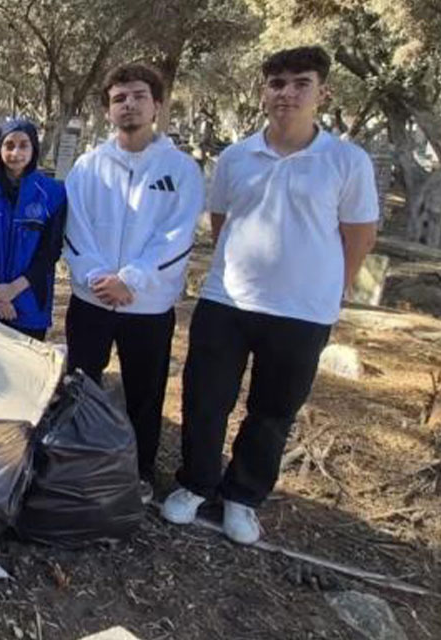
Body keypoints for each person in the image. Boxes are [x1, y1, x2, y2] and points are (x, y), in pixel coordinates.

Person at [162, 47, 379, 545]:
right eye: (277, 83)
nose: (287, 93)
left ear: (322, 93)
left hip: (301, 313)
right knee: (205, 399)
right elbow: (222, 224)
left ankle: (242, 497)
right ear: (265, 92)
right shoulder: (238, 157)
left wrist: (330, 287)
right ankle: (195, 483)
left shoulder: (346, 161)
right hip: (228, 302)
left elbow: (359, 235)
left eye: (300, 83)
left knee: (273, 410)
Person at [62, 63, 204, 503]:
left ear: (157, 105)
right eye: (119, 98)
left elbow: (177, 235)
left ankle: (138, 471)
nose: (129, 105)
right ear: (108, 110)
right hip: (91, 301)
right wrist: (96, 277)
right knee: (81, 384)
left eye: (139, 96)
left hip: (148, 306)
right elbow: (75, 228)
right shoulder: (88, 167)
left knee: (145, 392)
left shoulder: (180, 170)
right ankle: (76, 461)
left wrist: (132, 280)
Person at [0, 119, 66, 340]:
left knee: (26, 367)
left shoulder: (53, 193)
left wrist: (13, 290)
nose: (16, 152)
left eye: (24, 145)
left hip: (30, 298)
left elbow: (50, 250)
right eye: (9, 145)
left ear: (34, 149)